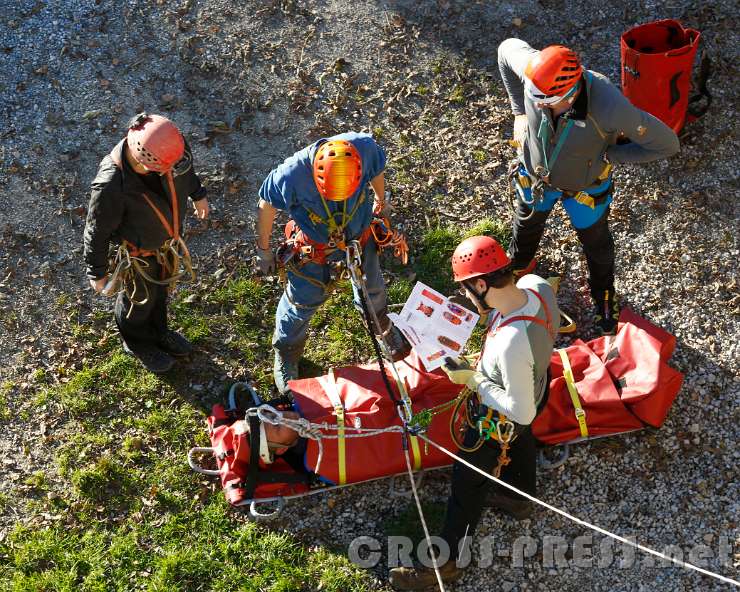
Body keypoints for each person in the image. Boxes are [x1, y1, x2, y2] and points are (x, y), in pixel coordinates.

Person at [389, 235, 559, 589]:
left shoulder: (511, 344)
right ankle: (518, 498)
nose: (468, 297)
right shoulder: (535, 285)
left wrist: (475, 381)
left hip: (502, 415)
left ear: (481, 284)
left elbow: (520, 411)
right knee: (522, 441)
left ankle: (446, 565)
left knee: (466, 486)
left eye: (468, 290)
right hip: (538, 383)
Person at [498, 38, 680, 335]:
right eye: (535, 98)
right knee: (526, 224)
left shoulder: (609, 105)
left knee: (596, 243)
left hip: (584, 189)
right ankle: (519, 265)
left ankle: (603, 294)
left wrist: (612, 154)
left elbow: (666, 143)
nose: (539, 104)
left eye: (545, 101)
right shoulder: (534, 73)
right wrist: (520, 110)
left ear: (571, 93)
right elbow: (507, 49)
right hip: (536, 178)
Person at [255, 132, 409, 394]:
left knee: (373, 290)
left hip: (359, 238)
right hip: (314, 251)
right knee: (301, 302)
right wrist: (264, 251)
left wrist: (382, 204)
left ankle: (382, 327)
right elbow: (266, 206)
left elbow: (376, 173)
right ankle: (287, 351)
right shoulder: (290, 175)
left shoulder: (365, 149)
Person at [83, 113, 209, 373]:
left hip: (165, 245)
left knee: (160, 293)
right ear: (143, 159)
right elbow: (96, 230)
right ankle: (137, 343)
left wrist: (198, 194)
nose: (169, 171)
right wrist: (96, 271)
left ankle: (159, 332)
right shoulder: (111, 185)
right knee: (139, 300)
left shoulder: (173, 150)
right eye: (163, 169)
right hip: (137, 254)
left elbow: (186, 174)